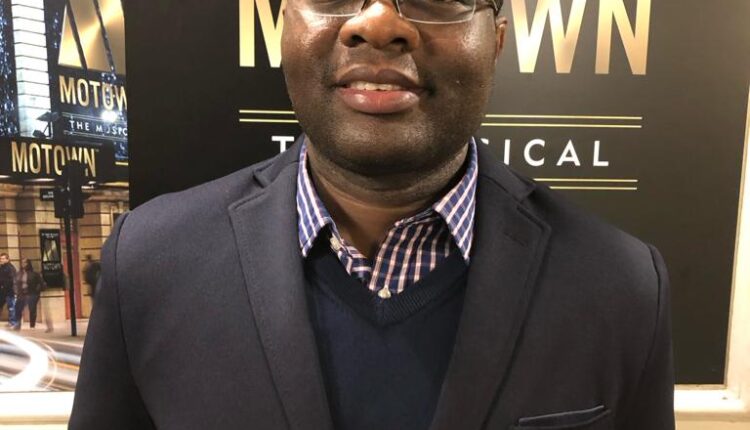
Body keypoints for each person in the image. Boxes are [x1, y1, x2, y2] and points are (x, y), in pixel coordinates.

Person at [70, 0, 675, 428]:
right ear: (284, 25)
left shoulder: (621, 285)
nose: (378, 22)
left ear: (495, 40)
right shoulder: (150, 261)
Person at [13, 259, 45, 330]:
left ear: (28, 264)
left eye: (25, 263)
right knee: (18, 308)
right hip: (22, 293)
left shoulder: (34, 274)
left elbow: (41, 283)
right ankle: (17, 324)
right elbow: (15, 283)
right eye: (22, 262)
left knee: (32, 309)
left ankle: (32, 325)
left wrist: (37, 291)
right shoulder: (19, 273)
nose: (23, 264)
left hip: (32, 293)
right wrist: (16, 291)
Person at [0, 253, 18, 330]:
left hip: (10, 291)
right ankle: (12, 322)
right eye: (0, 259)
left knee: (11, 307)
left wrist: (4, 285)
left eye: (3, 259)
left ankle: (13, 323)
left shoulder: (10, 268)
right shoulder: (2, 268)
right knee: (10, 307)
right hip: (4, 291)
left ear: (7, 259)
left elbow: (12, 280)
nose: (1, 260)